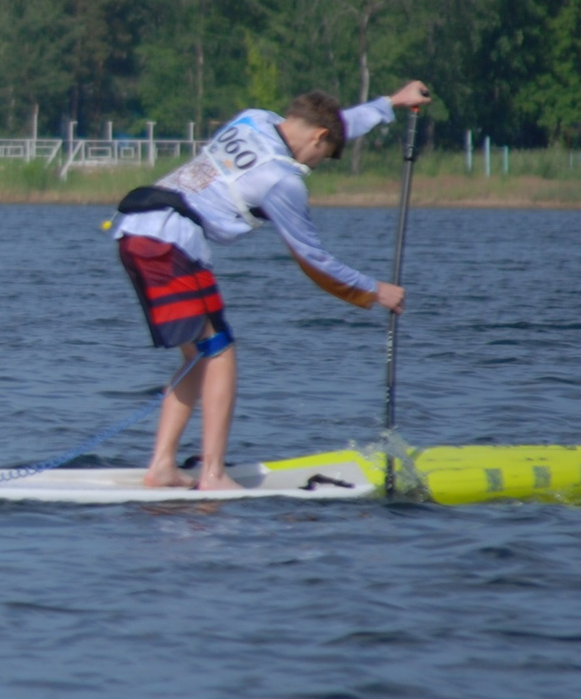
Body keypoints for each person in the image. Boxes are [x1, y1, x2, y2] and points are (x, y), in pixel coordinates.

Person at [112, 83, 430, 491]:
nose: (317, 165)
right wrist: (374, 289)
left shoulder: (254, 119)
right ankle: (212, 475)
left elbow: (332, 124)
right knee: (219, 352)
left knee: (200, 354)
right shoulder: (283, 181)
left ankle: (162, 467)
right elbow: (314, 258)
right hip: (168, 243)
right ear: (318, 138)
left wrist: (391, 103)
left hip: (140, 230)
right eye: (323, 156)